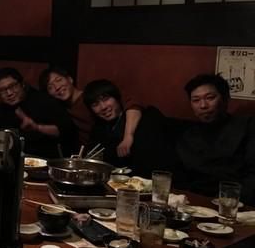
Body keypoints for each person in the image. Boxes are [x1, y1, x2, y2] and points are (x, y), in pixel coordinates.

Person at [176, 74, 255, 203]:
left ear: (225, 98)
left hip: (234, 203)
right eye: (196, 100)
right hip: (194, 203)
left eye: (210, 98)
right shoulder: (188, 135)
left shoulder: (246, 127)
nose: (203, 105)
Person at [41, 65, 143, 157]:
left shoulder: (92, 96)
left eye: (58, 80)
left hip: (119, 148)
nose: (57, 87)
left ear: (70, 79)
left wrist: (128, 136)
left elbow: (132, 103)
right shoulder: (60, 110)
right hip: (90, 156)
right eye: (50, 87)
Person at [83, 79, 175, 177]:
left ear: (117, 97)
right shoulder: (99, 128)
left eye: (106, 99)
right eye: (95, 104)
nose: (103, 107)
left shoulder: (146, 118)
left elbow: (155, 161)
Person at [0, 68, 77, 158]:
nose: (9, 93)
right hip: (13, 160)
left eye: (13, 86)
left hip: (47, 160)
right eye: (2, 90)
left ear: (22, 84)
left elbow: (66, 130)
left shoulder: (43, 101)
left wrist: (37, 127)